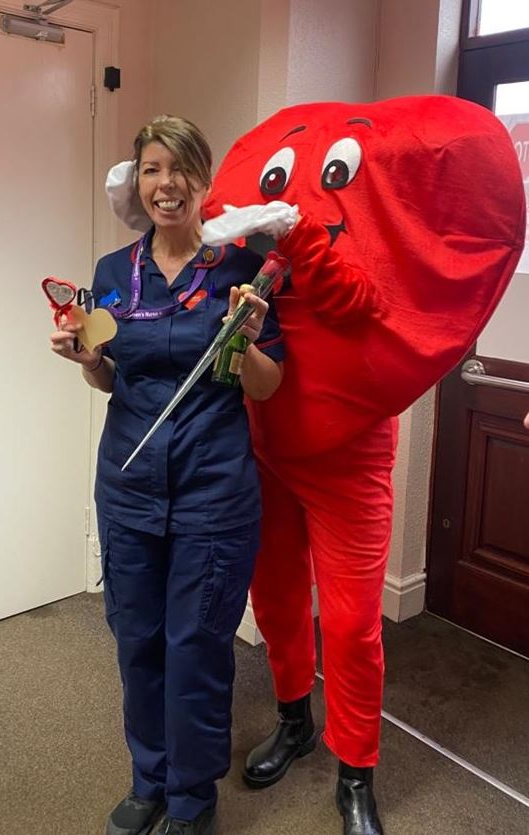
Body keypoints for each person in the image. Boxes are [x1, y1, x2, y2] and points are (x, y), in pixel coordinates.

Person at [198, 97, 525, 835]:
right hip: (265, 446)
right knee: (277, 599)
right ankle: (293, 721)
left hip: (350, 458)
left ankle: (356, 772)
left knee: (350, 627)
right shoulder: (253, 251)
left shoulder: (345, 240)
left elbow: (355, 303)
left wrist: (302, 233)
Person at [49, 115, 284, 835]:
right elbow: (112, 378)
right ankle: (148, 776)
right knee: (137, 638)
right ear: (139, 182)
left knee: (197, 645)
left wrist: (243, 339)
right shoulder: (110, 274)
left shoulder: (240, 271)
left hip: (213, 491)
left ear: (204, 183)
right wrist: (87, 360)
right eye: (152, 168)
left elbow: (268, 386)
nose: (166, 183)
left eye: (180, 168)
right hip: (128, 488)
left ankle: (190, 797)